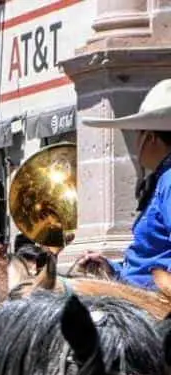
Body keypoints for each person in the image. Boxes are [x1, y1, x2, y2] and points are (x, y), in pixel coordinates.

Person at [81, 79, 171, 289]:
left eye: (137, 133)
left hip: (154, 302)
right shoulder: (163, 179)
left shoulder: (169, 180)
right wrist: (113, 269)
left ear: (150, 138)